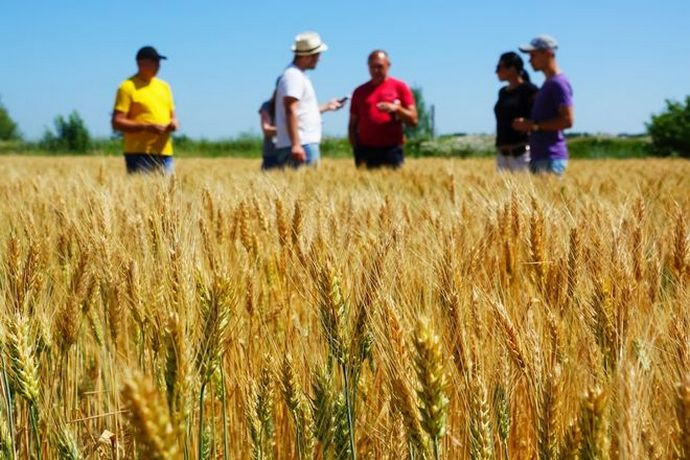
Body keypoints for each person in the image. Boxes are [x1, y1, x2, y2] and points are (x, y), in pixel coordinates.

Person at [268, 32, 344, 170]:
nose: (319, 59)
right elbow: (290, 109)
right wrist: (296, 144)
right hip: (302, 144)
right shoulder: (293, 76)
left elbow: (301, 110)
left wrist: (328, 106)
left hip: (302, 143)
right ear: (307, 56)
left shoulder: (297, 75)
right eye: (317, 55)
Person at [512, 35, 574, 176]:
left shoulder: (558, 83)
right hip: (541, 157)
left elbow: (568, 120)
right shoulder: (549, 83)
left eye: (533, 55)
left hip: (550, 158)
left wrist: (533, 126)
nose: (529, 60)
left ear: (547, 54)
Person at [112, 46, 178, 174]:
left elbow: (173, 116)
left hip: (165, 152)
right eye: (154, 61)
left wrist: (173, 124)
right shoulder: (127, 87)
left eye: (159, 62)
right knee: (141, 192)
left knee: (169, 193)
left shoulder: (165, 87)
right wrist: (147, 127)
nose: (158, 65)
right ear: (140, 62)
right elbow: (117, 121)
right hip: (139, 154)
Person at [349, 50, 417, 169]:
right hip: (366, 150)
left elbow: (413, 120)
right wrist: (357, 149)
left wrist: (397, 108)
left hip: (391, 150)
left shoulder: (400, 87)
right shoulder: (359, 92)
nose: (376, 71)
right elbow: (352, 124)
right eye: (372, 67)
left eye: (379, 66)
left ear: (388, 65)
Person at [494, 52, 538, 172]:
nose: (496, 71)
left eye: (499, 67)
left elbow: (538, 118)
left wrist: (528, 124)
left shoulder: (530, 90)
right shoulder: (502, 92)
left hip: (521, 155)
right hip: (502, 155)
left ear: (512, 68)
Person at [259, 83, 278, 169]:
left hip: (288, 152)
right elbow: (266, 129)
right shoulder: (266, 106)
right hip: (271, 153)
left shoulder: (293, 104)